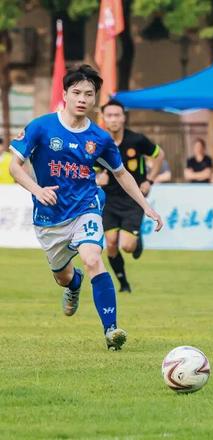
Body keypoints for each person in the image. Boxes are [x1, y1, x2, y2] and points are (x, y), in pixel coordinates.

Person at [8, 64, 163, 350]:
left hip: (86, 206)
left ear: (95, 99)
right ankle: (73, 283)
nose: (82, 98)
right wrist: (38, 190)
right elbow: (14, 167)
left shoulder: (100, 138)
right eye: (77, 92)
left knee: (92, 258)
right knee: (63, 276)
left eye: (89, 94)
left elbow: (121, 174)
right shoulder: (41, 127)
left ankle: (111, 331)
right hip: (49, 217)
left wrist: (146, 206)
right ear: (65, 94)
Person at [96, 99, 164, 293]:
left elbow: (159, 155)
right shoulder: (98, 143)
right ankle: (123, 284)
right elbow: (90, 169)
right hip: (109, 200)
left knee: (127, 247)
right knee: (110, 244)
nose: (113, 119)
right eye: (109, 115)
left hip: (134, 199)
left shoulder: (137, 140)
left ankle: (136, 240)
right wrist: (97, 178)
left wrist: (149, 180)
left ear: (123, 117)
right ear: (103, 118)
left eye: (117, 115)